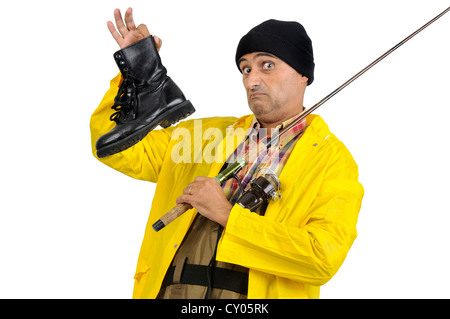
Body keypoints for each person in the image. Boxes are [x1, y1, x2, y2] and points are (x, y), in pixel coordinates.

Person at [90, 7, 364, 299]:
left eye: (267, 65)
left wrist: (227, 214)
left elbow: (320, 258)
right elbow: (115, 148)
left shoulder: (333, 162)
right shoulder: (201, 138)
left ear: (302, 75)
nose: (251, 81)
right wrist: (134, 76)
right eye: (246, 68)